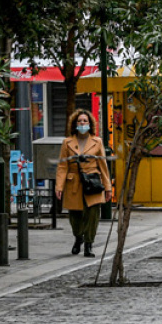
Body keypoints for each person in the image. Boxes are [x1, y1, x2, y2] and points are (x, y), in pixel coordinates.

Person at [55, 109, 113, 258]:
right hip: (73, 182)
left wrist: (108, 187)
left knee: (92, 214)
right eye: (80, 121)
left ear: (90, 123)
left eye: (85, 121)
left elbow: (103, 165)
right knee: (75, 215)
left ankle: (88, 243)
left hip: (93, 181)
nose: (82, 123)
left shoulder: (97, 141)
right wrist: (59, 186)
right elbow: (62, 166)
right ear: (75, 124)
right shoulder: (67, 142)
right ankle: (78, 237)